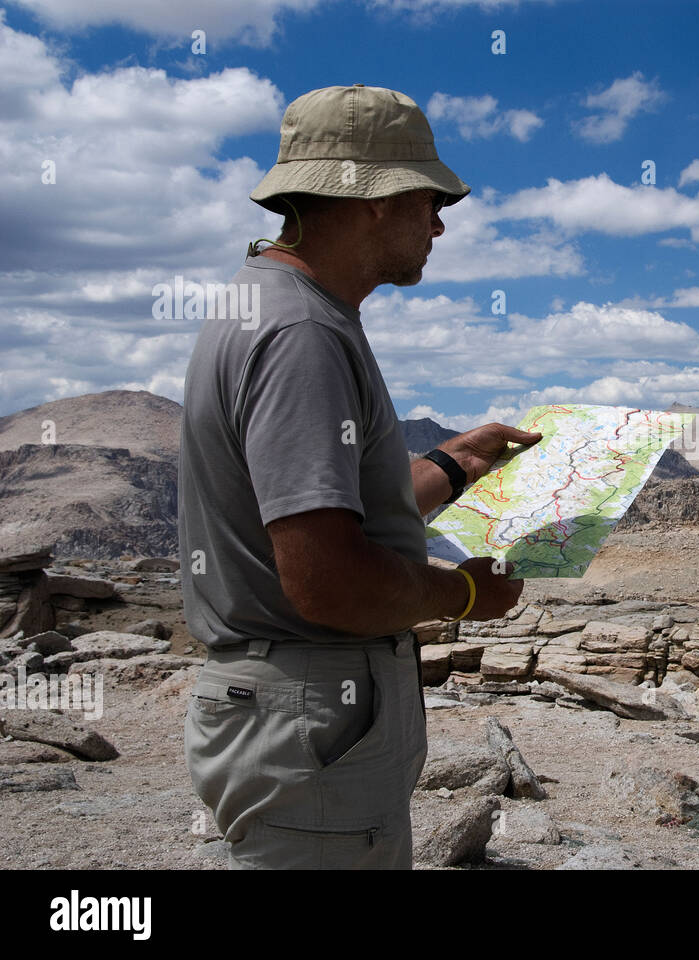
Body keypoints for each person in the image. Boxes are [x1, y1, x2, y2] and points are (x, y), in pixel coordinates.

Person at [178, 84, 541, 868]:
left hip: (301, 720)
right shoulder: (302, 330)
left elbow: (323, 515)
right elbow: (327, 581)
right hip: (312, 717)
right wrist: (466, 595)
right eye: (429, 197)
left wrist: (454, 464)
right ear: (371, 199)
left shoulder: (270, 305)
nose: (440, 221)